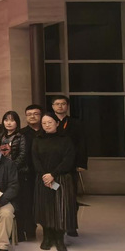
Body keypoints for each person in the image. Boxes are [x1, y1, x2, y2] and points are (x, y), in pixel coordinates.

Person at [33, 113, 77, 251]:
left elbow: (68, 159)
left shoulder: (65, 140)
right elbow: (35, 159)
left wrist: (53, 174)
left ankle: (59, 239)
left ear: (57, 123)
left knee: (60, 208)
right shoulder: (38, 139)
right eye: (44, 123)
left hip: (61, 178)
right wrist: (45, 175)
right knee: (45, 208)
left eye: (50, 122)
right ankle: (47, 237)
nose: (47, 125)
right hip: (43, 178)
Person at [52, 95, 88, 237]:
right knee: (54, 193)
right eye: (57, 104)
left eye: (63, 104)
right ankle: (55, 226)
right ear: (53, 106)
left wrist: (81, 163)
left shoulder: (75, 123)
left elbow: (82, 144)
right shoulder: (49, 122)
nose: (60, 106)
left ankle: (71, 225)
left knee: (71, 196)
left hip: (71, 166)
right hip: (52, 166)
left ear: (67, 106)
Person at [18, 104, 43, 241]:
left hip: (45, 174)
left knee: (43, 202)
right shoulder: (21, 133)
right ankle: (29, 229)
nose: (32, 116)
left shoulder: (46, 131)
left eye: (36, 114)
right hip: (27, 174)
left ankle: (50, 232)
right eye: (29, 114)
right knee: (27, 202)